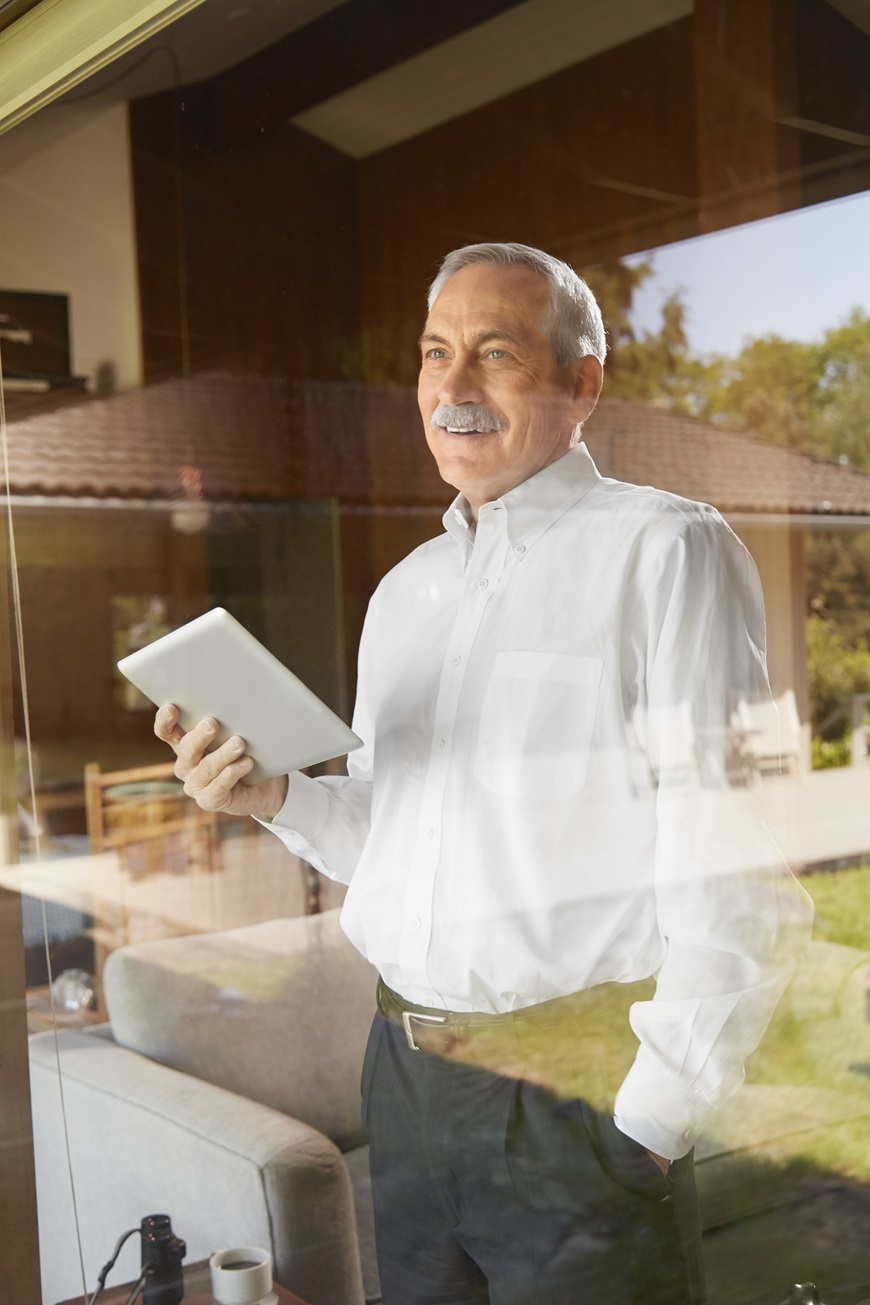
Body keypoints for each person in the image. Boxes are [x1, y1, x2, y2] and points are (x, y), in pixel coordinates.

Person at [156, 242, 811, 1303]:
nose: (452, 389)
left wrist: (651, 1122)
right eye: (434, 354)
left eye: (494, 353)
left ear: (580, 383)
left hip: (571, 1094)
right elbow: (393, 837)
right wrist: (274, 795)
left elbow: (730, 866)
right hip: (404, 1086)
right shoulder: (404, 596)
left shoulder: (665, 553)